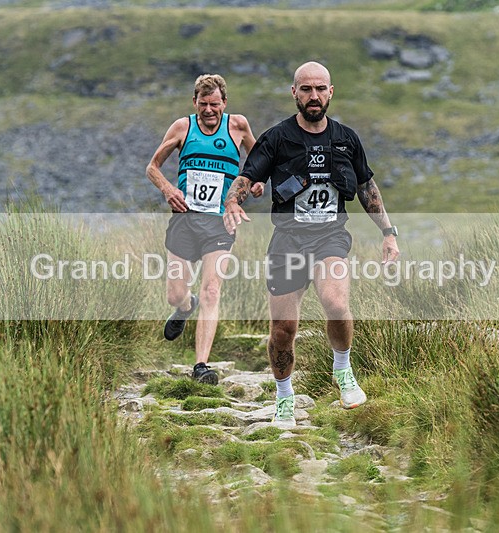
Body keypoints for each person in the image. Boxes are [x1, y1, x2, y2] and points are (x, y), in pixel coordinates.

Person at [223, 61, 400, 426]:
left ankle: (343, 371)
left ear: (331, 92)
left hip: (330, 236)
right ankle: (284, 397)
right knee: (283, 331)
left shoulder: (346, 139)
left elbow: (367, 188)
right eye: (306, 89)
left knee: (336, 303)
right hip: (288, 239)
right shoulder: (277, 138)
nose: (314, 96)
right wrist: (231, 203)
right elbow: (246, 178)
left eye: (320, 88)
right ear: (294, 93)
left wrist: (388, 233)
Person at [147, 74, 263, 384]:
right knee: (175, 295)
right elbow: (152, 167)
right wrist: (168, 189)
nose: (208, 110)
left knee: (212, 289)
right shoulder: (182, 127)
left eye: (214, 104)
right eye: (203, 104)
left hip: (220, 222)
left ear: (224, 103)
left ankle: (201, 366)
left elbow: (260, 158)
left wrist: (257, 182)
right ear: (194, 102)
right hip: (185, 219)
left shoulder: (238, 125)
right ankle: (185, 308)